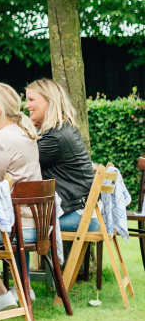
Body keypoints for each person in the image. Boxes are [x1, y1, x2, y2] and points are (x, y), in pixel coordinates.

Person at [0, 82, 42, 314]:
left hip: (16, 229)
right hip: (35, 225)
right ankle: (13, 289)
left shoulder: (2, 139)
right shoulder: (23, 133)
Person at [25, 78, 98, 232]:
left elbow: (23, 164)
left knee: (14, 227)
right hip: (85, 212)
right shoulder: (62, 130)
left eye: (31, 99)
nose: (26, 105)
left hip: (79, 216)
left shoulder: (55, 137)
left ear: (49, 101)